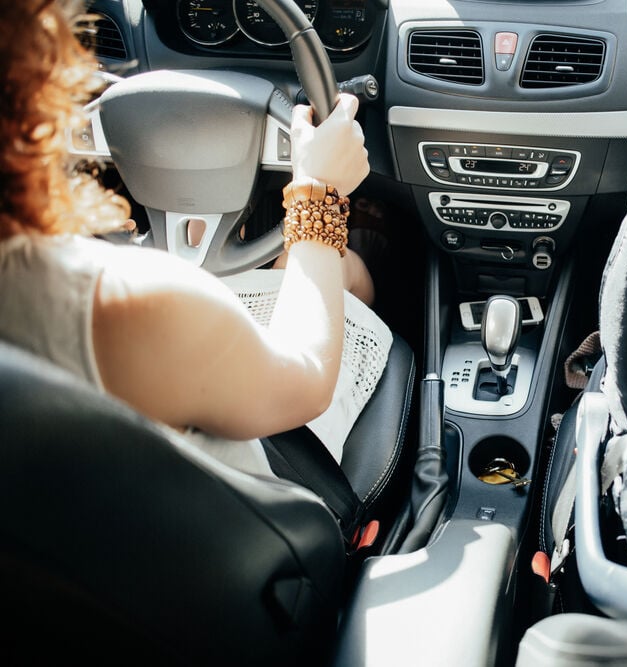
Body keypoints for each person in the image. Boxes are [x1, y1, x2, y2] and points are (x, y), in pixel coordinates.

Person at [0, 0, 382, 475]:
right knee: (341, 273)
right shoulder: (132, 304)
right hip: (266, 503)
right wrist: (318, 191)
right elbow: (308, 378)